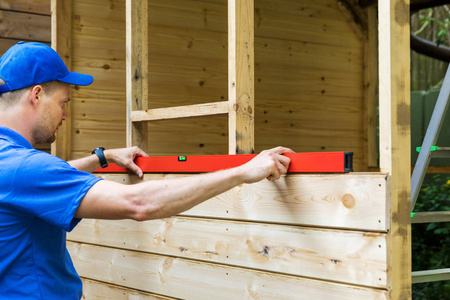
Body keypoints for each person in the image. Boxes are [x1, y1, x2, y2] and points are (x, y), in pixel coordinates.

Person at [0, 42, 293, 299]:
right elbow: (138, 203)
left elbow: (39, 180)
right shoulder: (26, 169)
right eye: (63, 102)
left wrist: (101, 157)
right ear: (37, 95)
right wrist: (242, 170)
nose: (65, 114)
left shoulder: (11, 162)